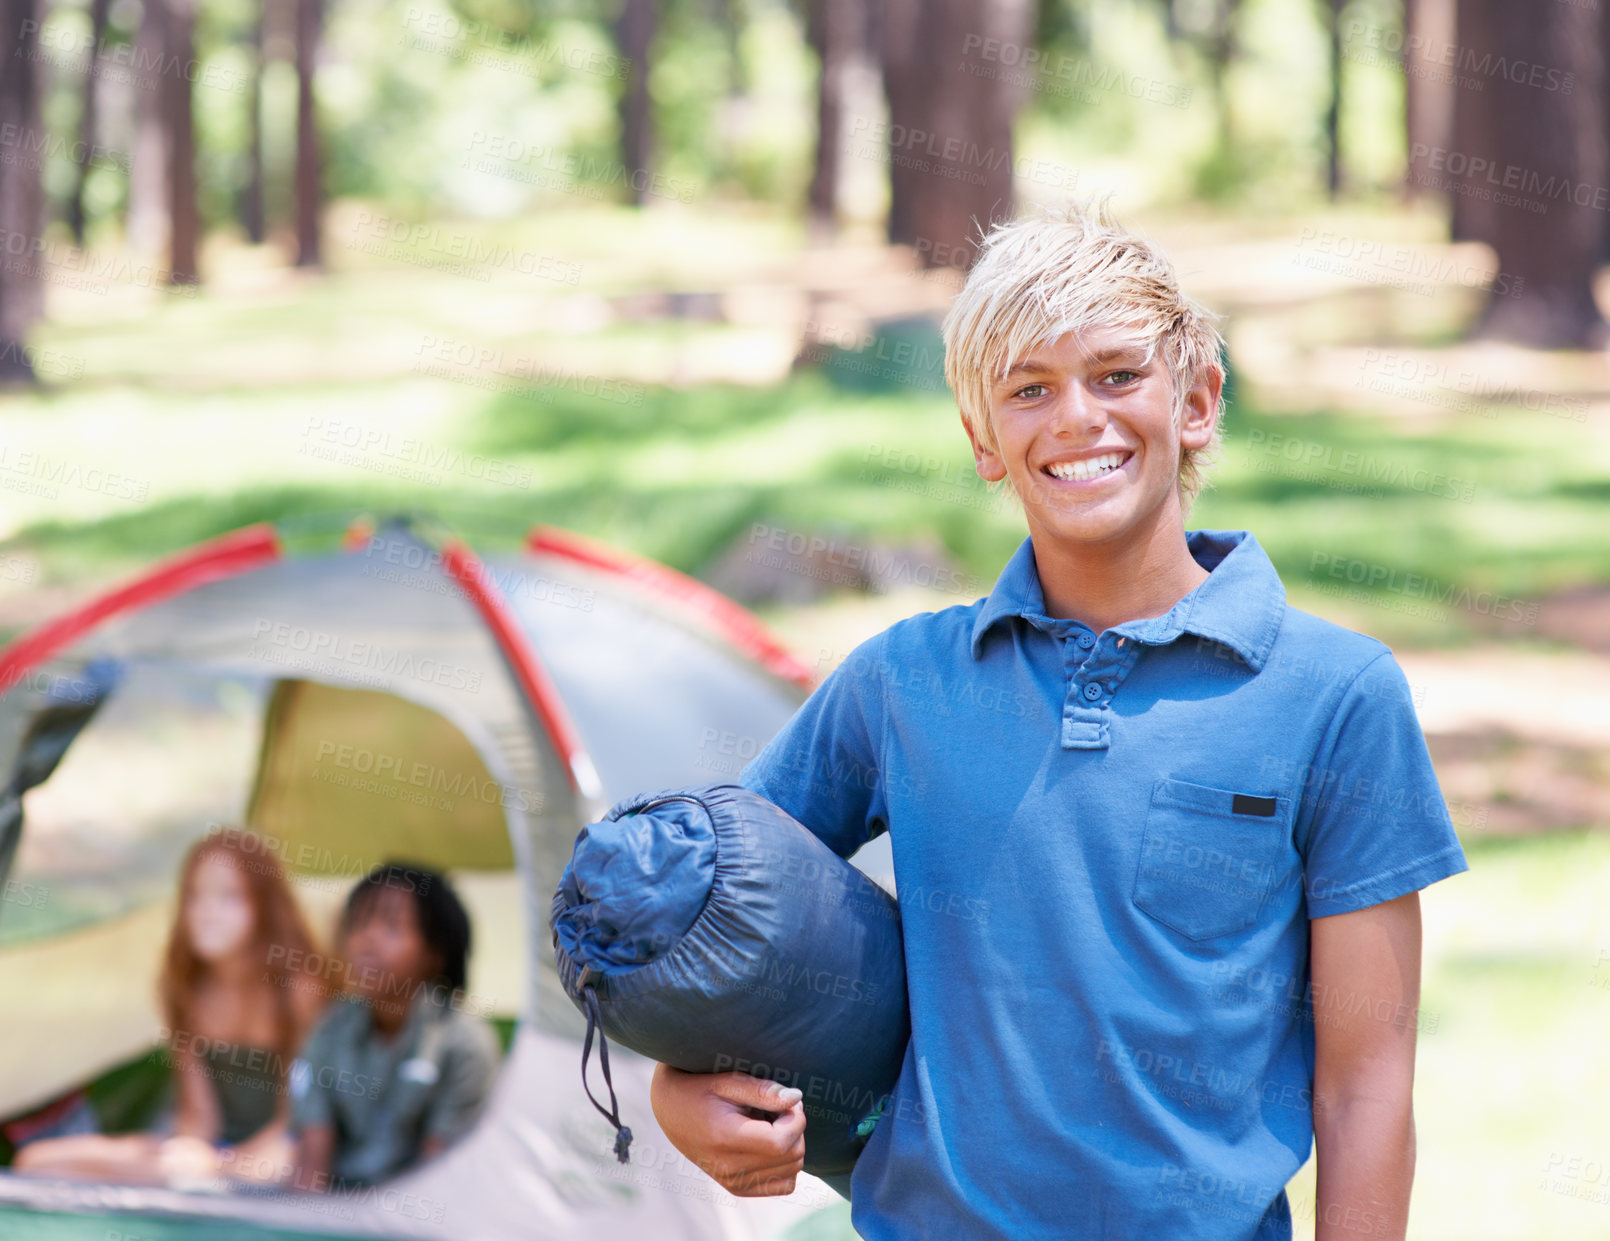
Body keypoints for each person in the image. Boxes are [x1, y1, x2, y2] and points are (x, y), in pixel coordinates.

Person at [649, 201, 1469, 1240]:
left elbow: (1364, 1087)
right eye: (1027, 389)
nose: (1076, 417)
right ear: (982, 442)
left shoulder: (1334, 696)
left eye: (1116, 375)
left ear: (1198, 402)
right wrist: (675, 1086)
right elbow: (694, 907)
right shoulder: (901, 682)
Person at [13, 829, 326, 1185]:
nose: (208, 913)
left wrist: (223, 1166)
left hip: (276, 1150)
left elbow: (297, 1119)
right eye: (195, 897)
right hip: (209, 1151)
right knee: (38, 1161)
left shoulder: (299, 990)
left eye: (229, 898)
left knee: (273, 1168)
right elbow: (197, 1116)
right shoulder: (185, 987)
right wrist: (193, 1154)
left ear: (263, 905)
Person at [289, 861, 499, 1193]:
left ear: (436, 952)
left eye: (391, 927)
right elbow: (311, 1167)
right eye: (357, 924)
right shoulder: (330, 1029)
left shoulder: (465, 1045)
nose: (367, 940)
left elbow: (439, 1177)